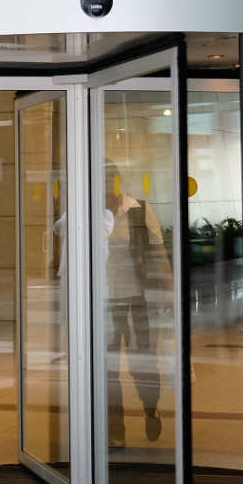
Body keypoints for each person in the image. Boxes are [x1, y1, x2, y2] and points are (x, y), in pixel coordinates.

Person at [102, 164, 169, 446]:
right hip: (104, 301)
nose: (105, 189)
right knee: (107, 365)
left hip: (137, 299)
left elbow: (158, 250)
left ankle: (150, 408)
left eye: (109, 182)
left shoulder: (139, 210)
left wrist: (169, 289)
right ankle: (115, 425)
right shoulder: (92, 215)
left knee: (142, 360)